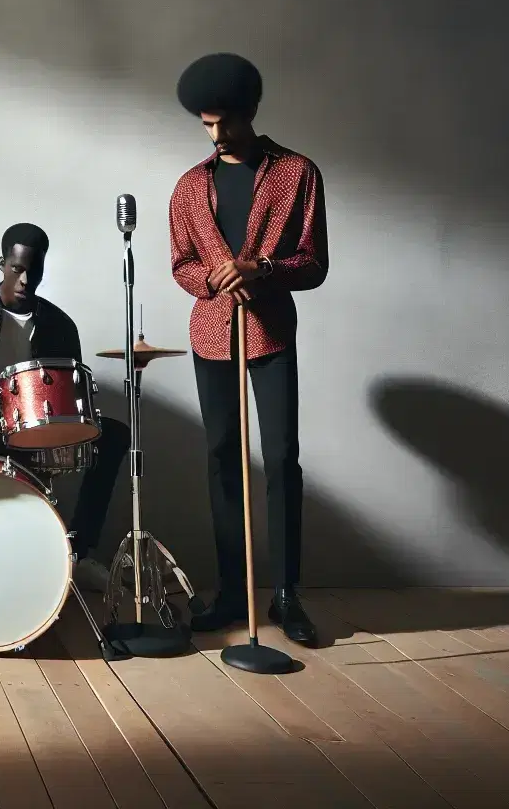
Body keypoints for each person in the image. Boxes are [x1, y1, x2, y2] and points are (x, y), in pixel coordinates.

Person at [168, 52, 328, 646]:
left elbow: (313, 264)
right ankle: (233, 590)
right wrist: (214, 279)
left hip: (270, 332)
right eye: (206, 126)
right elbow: (181, 263)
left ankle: (286, 595)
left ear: (249, 114)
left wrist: (259, 268)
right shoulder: (189, 187)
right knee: (221, 459)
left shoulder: (297, 174)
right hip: (210, 335)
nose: (215, 135)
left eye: (224, 124)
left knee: (281, 460)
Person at [0, 223, 126, 593]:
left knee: (114, 435)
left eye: (33, 270)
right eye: (17, 269)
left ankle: (77, 552)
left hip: (38, 427)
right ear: (2, 263)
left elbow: (74, 391)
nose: (24, 279)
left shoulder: (60, 324)